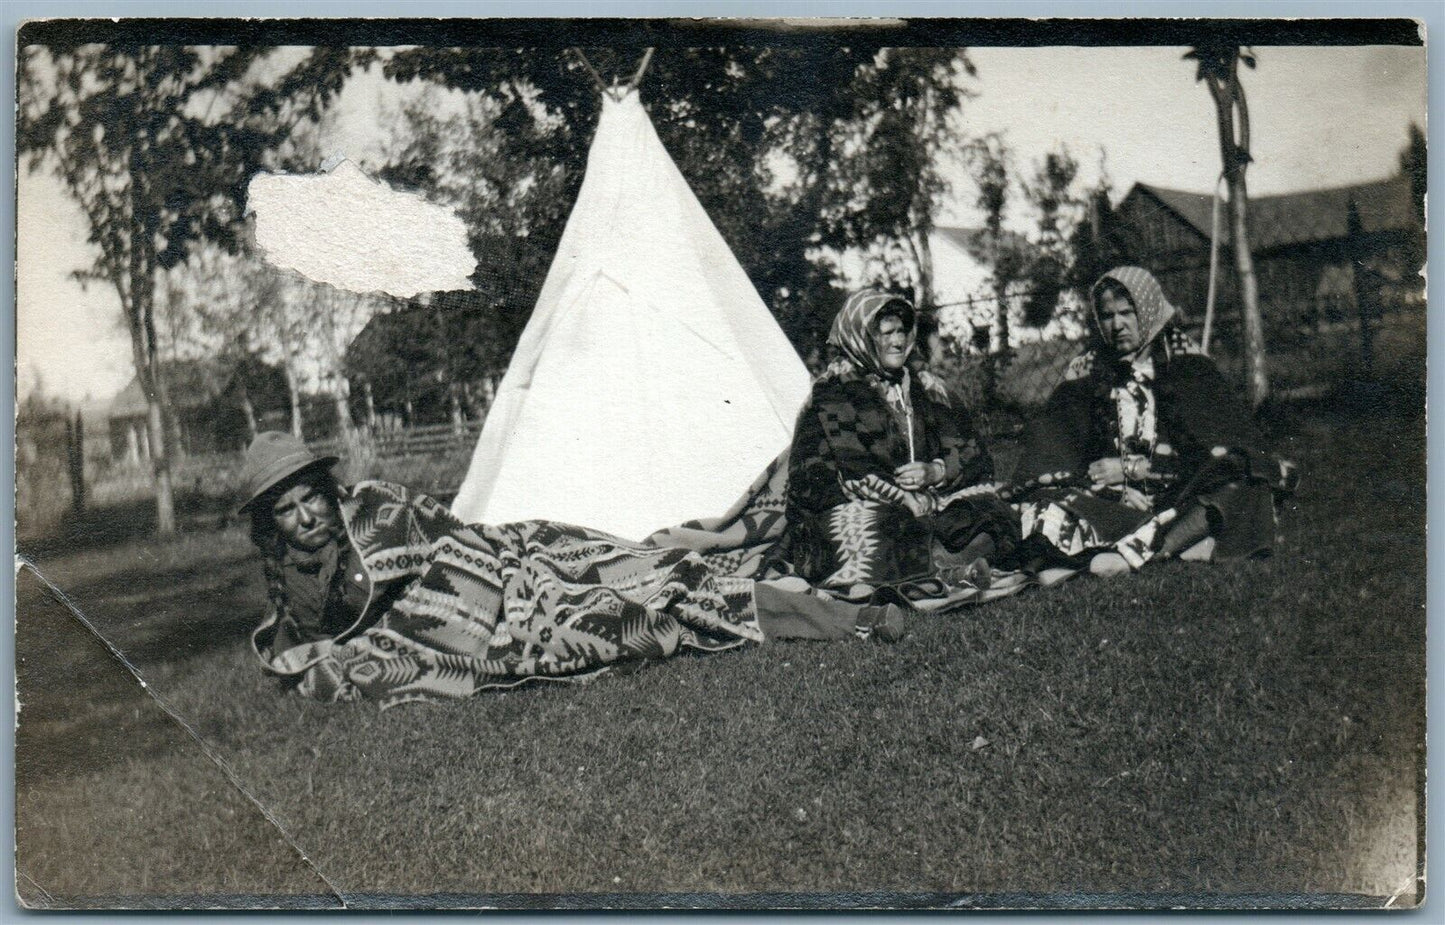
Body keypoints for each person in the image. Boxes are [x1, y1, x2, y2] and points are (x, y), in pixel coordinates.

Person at [238, 432, 909, 707]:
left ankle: (843, 573)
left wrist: (440, 611)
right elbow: (308, 648)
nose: (307, 517)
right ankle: (845, 613)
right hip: (484, 616)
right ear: (273, 526)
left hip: (523, 560)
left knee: (657, 568)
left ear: (329, 492)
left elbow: (459, 545)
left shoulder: (377, 505)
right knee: (663, 602)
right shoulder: (289, 583)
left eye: (312, 499)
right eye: (289, 511)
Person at [1008, 266, 1297, 578]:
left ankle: (1147, 552)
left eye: (1126, 313)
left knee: (1243, 476)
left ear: (1147, 311)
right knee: (1044, 500)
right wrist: (1108, 488)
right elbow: (1057, 451)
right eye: (1107, 316)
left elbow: (1217, 446)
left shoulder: (1186, 363)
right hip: (1113, 502)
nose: (1117, 325)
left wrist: (1139, 469)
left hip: (1180, 491)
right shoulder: (1087, 369)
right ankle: (1190, 543)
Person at [778, 289, 1020, 603]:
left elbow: (974, 453)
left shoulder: (927, 388)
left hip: (932, 503)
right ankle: (946, 569)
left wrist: (937, 471)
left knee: (993, 509)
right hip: (862, 507)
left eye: (903, 331)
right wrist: (896, 496)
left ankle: (938, 566)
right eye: (887, 333)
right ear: (861, 337)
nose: (898, 341)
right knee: (870, 530)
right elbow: (811, 481)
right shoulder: (831, 396)